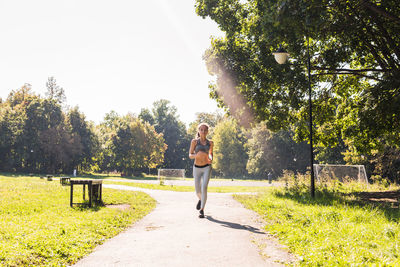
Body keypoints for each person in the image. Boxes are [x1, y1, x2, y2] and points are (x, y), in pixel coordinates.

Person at [189, 123, 213, 218]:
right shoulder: (194, 142)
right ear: (199, 131)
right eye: (201, 129)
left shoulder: (210, 143)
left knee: (204, 188)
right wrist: (196, 155)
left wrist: (209, 158)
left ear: (207, 131)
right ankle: (200, 199)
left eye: (205, 130)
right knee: (197, 190)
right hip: (197, 168)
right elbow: (190, 155)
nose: (203, 131)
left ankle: (202, 210)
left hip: (207, 167)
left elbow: (211, 155)